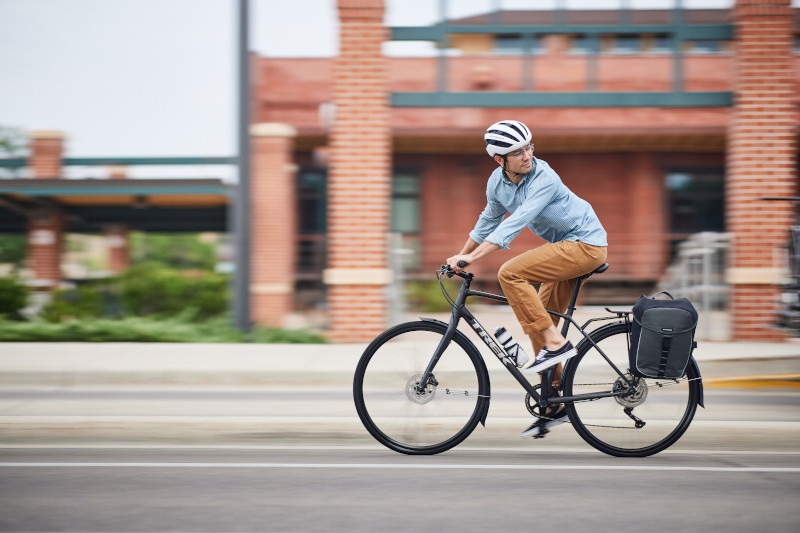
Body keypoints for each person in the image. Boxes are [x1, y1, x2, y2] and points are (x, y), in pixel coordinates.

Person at [446, 120, 608, 438]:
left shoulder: (544, 177)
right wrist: (459, 255)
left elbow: (515, 223)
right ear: (499, 159)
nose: (527, 155)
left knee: (511, 273)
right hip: (565, 248)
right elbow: (487, 221)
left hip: (586, 246)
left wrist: (474, 259)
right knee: (540, 322)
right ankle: (554, 404)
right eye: (517, 152)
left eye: (529, 147)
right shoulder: (497, 182)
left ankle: (557, 342)